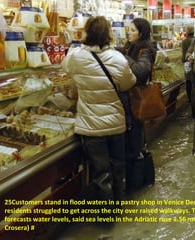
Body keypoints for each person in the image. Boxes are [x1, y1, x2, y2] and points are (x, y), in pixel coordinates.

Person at [62, 16, 136, 202]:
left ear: (87, 33)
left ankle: (105, 215)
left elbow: (63, 70)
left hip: (91, 126)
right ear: (109, 34)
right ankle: (117, 204)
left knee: (101, 172)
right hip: (115, 124)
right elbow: (129, 83)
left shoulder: (76, 56)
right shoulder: (117, 58)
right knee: (118, 166)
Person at [116, 18, 157, 193]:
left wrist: (123, 56)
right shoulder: (129, 46)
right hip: (128, 101)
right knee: (133, 142)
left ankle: (136, 184)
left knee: (135, 142)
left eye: (132, 30)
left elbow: (141, 72)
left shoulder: (145, 48)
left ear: (141, 32)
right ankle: (135, 181)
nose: (128, 32)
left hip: (137, 99)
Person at [181, 25, 195, 105]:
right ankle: (194, 98)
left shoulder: (184, 42)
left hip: (187, 64)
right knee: (193, 82)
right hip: (194, 64)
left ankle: (189, 98)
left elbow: (183, 55)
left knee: (188, 82)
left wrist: (183, 60)